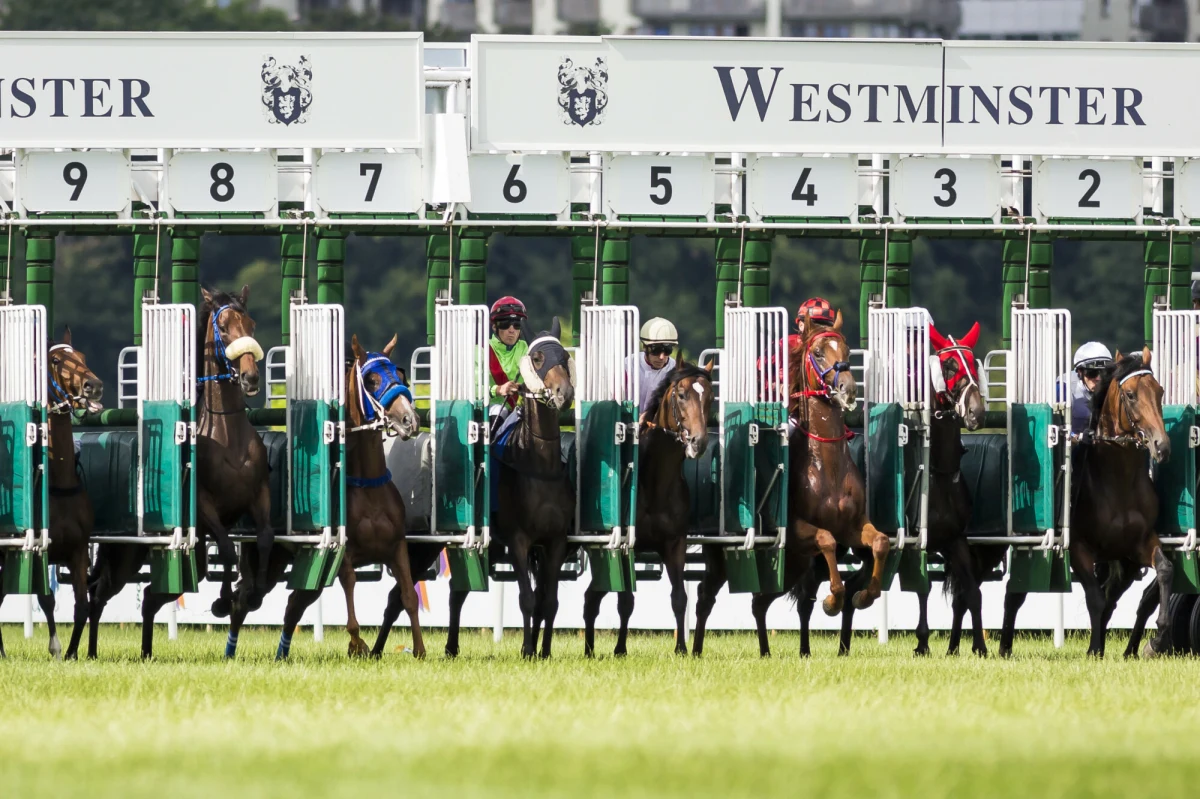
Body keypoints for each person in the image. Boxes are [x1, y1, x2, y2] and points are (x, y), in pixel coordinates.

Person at [625, 317, 678, 416]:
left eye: (667, 350)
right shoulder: (628, 365)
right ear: (645, 347)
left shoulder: (675, 369)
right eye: (656, 350)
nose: (661, 357)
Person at [488, 296, 528, 415]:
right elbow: (473, 389)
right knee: (499, 411)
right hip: (490, 408)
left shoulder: (527, 348)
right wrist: (499, 390)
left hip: (522, 407)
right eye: (505, 324)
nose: (512, 330)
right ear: (495, 327)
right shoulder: (481, 350)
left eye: (517, 325)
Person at [1067, 341, 1113, 439]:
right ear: (1080, 372)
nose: (1099, 378)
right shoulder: (1065, 388)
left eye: (1104, 373)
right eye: (1092, 373)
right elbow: (1057, 426)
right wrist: (1077, 437)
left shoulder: (1112, 386)